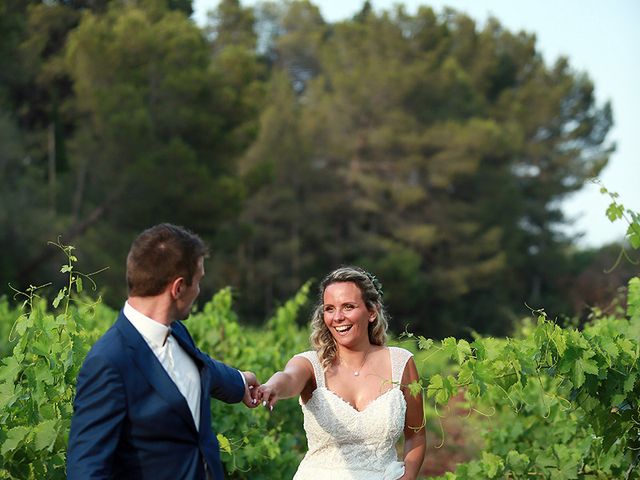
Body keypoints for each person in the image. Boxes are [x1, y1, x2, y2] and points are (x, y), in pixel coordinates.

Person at [67, 223, 259, 480]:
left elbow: (200, 365)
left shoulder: (176, 331)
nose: (199, 291)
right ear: (178, 288)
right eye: (198, 281)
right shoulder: (108, 362)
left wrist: (239, 381)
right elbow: (86, 469)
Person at [256, 266, 426, 480]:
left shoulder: (401, 362)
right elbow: (288, 377)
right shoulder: (311, 364)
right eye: (329, 309)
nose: (337, 317)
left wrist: (408, 476)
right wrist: (272, 387)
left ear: (372, 312)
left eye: (348, 307)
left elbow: (416, 434)